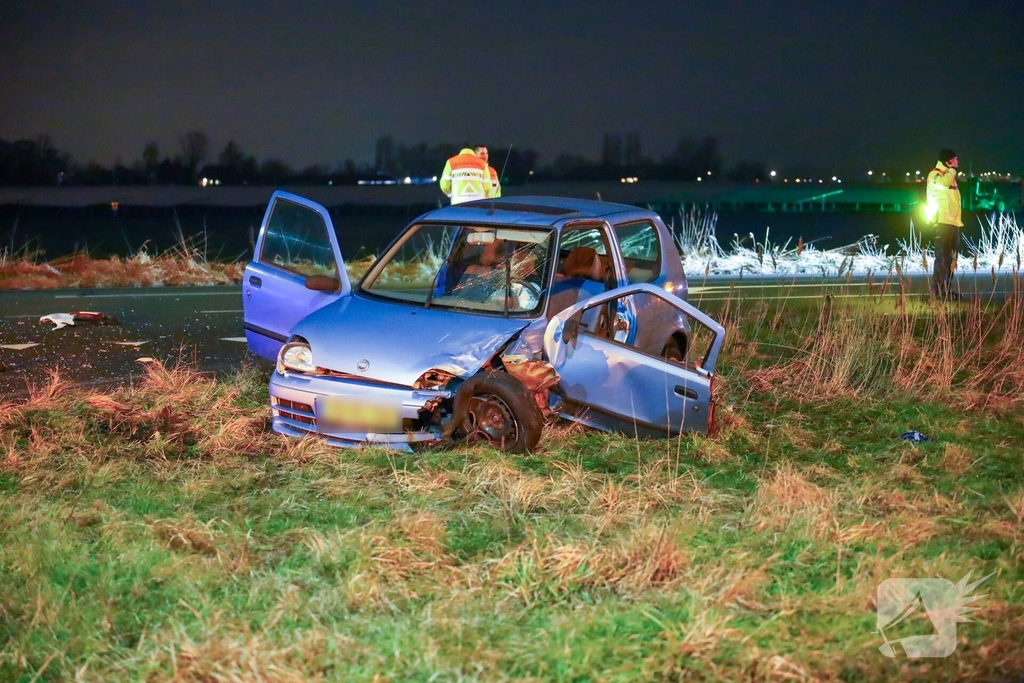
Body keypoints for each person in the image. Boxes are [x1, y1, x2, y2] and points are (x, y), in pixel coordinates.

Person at [926, 149, 963, 299]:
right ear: (948, 161)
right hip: (942, 223)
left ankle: (946, 290)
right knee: (942, 258)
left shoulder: (949, 176)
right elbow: (942, 184)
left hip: (953, 223)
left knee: (951, 259)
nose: (957, 162)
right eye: (955, 159)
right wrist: (952, 171)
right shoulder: (935, 175)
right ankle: (938, 292)